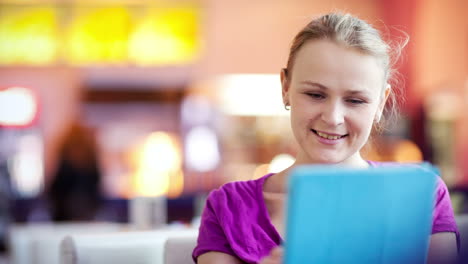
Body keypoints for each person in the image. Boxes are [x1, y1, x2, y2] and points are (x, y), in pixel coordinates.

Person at [192, 13, 459, 264]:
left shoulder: (421, 196)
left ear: (380, 103)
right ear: (286, 87)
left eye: (355, 100)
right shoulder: (228, 207)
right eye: (315, 95)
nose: (333, 117)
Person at [47, 121, 102, 221]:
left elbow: (55, 187)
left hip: (65, 213)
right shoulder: (89, 158)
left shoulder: (66, 159)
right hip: (86, 211)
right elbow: (97, 183)